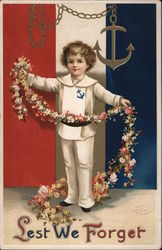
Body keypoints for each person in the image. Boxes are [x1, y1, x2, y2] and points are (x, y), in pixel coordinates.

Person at [22, 41, 130, 212]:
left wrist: (118, 100)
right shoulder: (61, 82)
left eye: (80, 61)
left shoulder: (92, 84)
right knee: (69, 164)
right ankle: (71, 196)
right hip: (65, 130)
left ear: (88, 63)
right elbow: (44, 83)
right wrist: (27, 77)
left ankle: (85, 199)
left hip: (85, 131)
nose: (75, 65)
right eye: (71, 61)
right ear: (66, 62)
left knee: (84, 163)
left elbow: (105, 95)